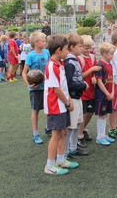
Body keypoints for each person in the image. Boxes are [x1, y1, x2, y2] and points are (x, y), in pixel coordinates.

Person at [43, 34, 75, 176]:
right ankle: (49, 165)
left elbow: (63, 86)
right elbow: (56, 90)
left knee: (63, 132)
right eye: (66, 49)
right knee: (56, 135)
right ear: (57, 50)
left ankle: (61, 160)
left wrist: (69, 100)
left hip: (62, 104)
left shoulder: (60, 64)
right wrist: (68, 102)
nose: (67, 52)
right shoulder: (51, 66)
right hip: (56, 106)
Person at [22, 31, 51, 144]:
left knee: (48, 109)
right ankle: (35, 133)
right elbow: (24, 72)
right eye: (43, 41)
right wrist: (28, 84)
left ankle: (48, 128)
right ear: (36, 43)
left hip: (47, 86)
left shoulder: (47, 52)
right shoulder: (30, 55)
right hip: (36, 88)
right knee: (36, 110)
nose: (45, 42)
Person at [64, 34, 89, 159]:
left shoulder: (74, 60)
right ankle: (65, 152)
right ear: (72, 47)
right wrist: (82, 85)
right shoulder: (69, 63)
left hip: (78, 97)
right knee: (70, 127)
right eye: (80, 46)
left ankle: (73, 148)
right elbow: (68, 84)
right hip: (72, 97)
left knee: (78, 123)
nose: (82, 48)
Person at [77, 36, 102, 149]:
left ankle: (82, 129)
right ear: (80, 47)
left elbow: (95, 72)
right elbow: (79, 76)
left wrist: (94, 77)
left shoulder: (92, 57)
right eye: (85, 48)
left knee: (90, 112)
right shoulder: (78, 59)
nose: (88, 50)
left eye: (90, 48)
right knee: (83, 114)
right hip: (82, 92)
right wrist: (91, 71)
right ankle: (79, 136)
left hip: (91, 91)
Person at [94, 42, 116, 146]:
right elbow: (99, 82)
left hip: (108, 95)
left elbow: (111, 80)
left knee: (105, 114)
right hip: (102, 95)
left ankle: (103, 135)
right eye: (111, 53)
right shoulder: (100, 65)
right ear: (104, 53)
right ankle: (99, 137)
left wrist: (112, 92)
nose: (113, 55)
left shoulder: (110, 64)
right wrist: (107, 93)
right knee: (101, 115)